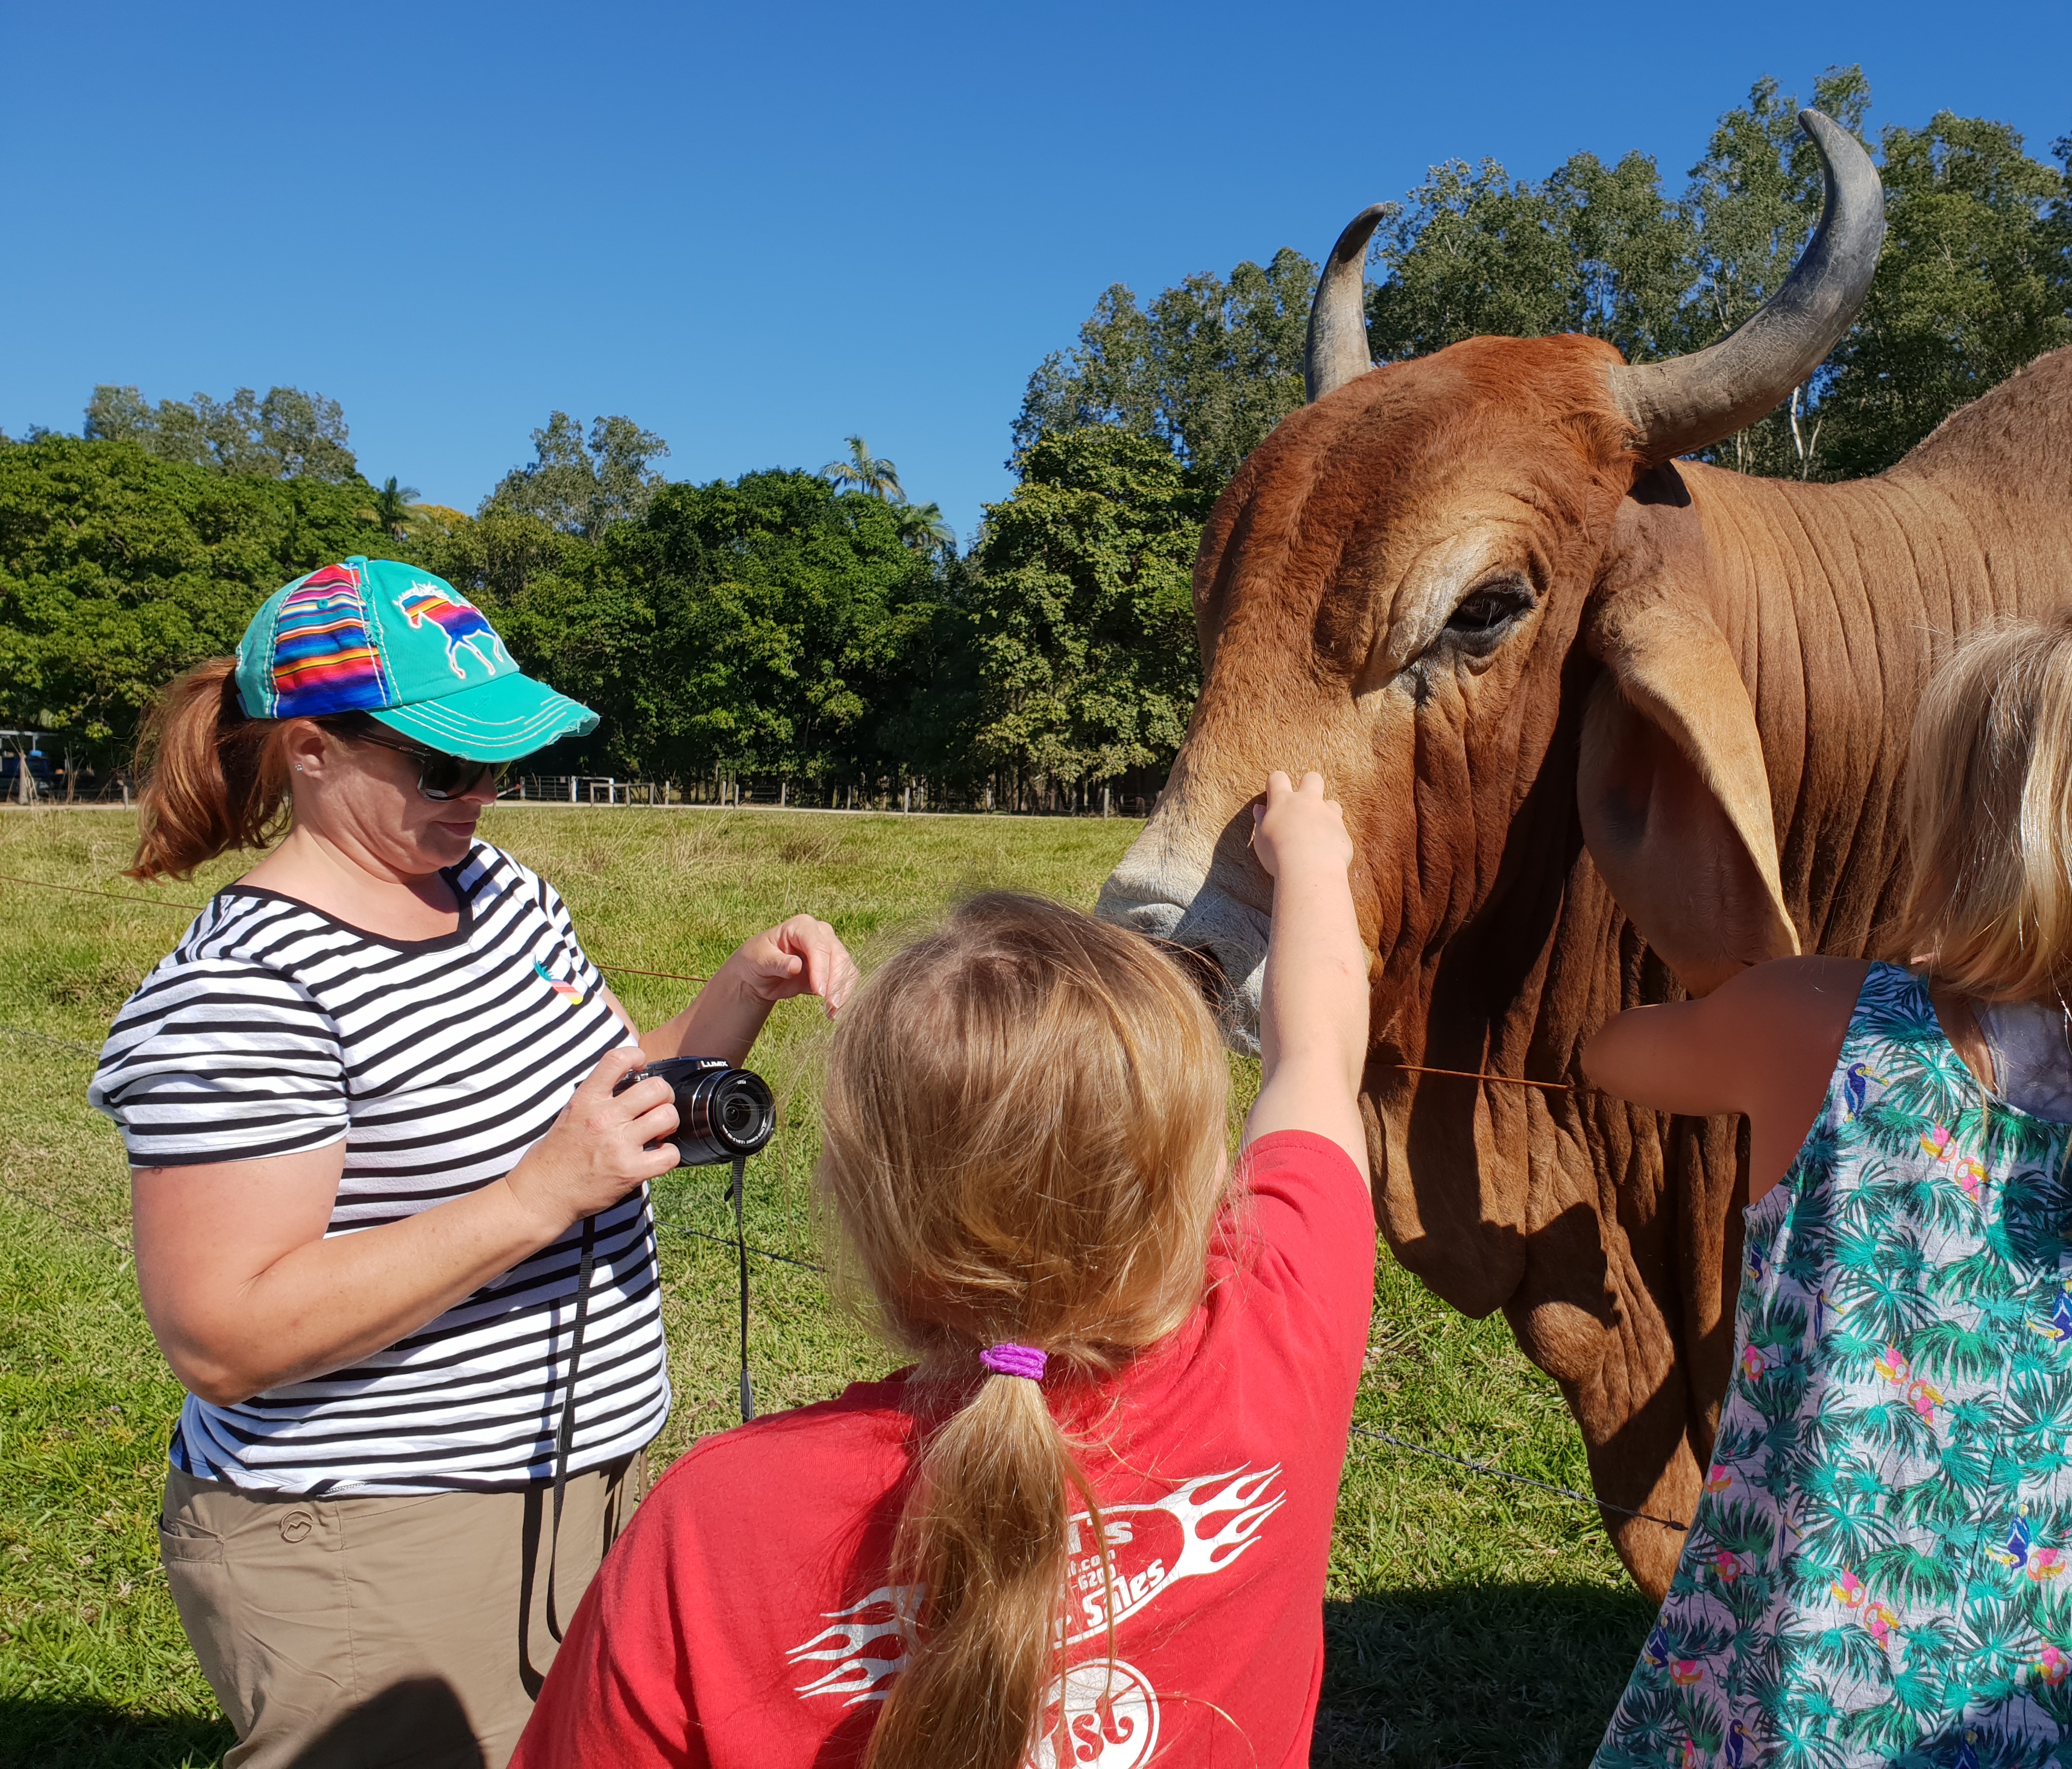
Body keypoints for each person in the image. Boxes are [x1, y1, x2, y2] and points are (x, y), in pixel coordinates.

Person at [88, 555, 859, 1769]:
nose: (479, 798)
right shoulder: (244, 995)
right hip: (376, 1531)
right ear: (309, 751)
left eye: (498, 761)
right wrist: (535, 1197)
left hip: (579, 1473)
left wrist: (738, 992)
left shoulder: (491, 889)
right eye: (444, 766)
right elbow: (221, 1335)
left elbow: (603, 1094)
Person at [1578, 607, 2072, 1769]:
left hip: (1818, 1714)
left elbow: (1613, 1052)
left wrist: (1730, 986)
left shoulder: (1831, 1028)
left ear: (1980, 835)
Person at [512, 770, 1374, 1769]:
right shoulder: (1276, 1338)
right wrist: (1315, 861)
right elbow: (1317, 1055)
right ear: (1195, 1182)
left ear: (860, 1201)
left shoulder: (713, 1531)